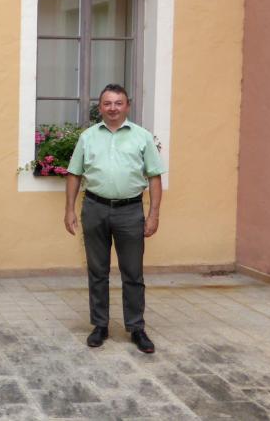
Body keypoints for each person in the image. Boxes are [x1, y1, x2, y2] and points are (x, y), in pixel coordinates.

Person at [64, 84, 166, 354]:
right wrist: (69, 209)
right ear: (100, 106)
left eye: (118, 103)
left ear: (127, 106)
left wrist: (153, 214)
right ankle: (100, 325)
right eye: (107, 103)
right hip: (95, 208)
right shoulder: (87, 137)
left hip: (130, 211)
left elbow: (155, 176)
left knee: (133, 272)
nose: (112, 108)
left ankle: (136, 327)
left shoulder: (142, 137)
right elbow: (74, 173)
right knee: (97, 272)